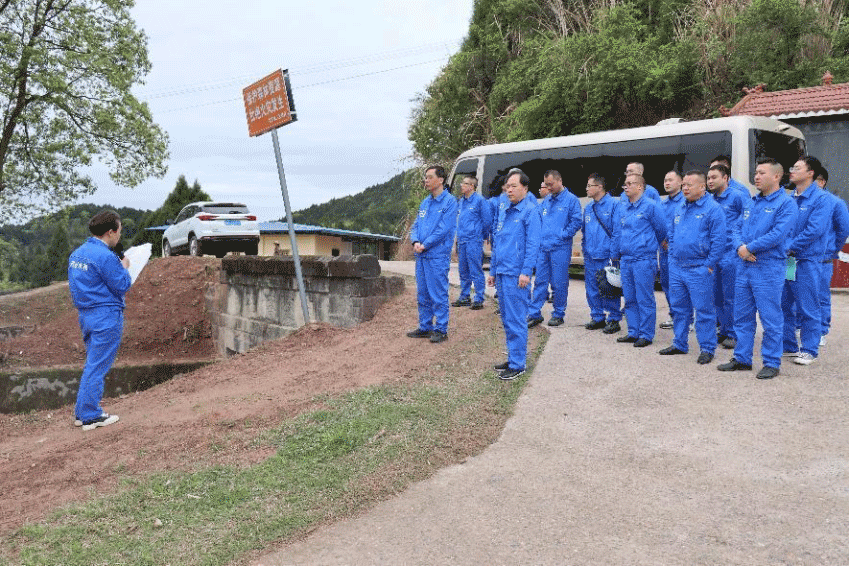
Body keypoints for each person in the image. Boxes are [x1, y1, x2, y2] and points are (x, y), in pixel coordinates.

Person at [717, 158, 797, 380]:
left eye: (762, 173)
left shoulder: (786, 204)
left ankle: (771, 362)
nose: (756, 177)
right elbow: (735, 228)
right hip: (744, 265)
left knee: (771, 318)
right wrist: (739, 248)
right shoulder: (752, 202)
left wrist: (749, 248)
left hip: (768, 267)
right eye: (756, 173)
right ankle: (742, 358)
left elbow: (778, 234)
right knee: (742, 316)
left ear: (776, 176)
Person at [69, 210, 131, 431]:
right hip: (106, 315)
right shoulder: (106, 256)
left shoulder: (77, 254)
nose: (119, 235)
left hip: (86, 314)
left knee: (93, 363)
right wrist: (124, 267)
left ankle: (82, 412)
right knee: (97, 366)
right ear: (110, 232)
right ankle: (90, 415)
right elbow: (122, 285)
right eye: (119, 230)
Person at [659, 171, 726, 365]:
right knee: (679, 308)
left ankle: (707, 348)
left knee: (704, 310)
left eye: (689, 185)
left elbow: (719, 241)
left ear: (702, 187)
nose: (685, 188)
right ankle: (679, 343)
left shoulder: (713, 209)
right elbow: (672, 235)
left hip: (700, 268)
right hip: (677, 267)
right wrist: (672, 258)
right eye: (684, 185)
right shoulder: (680, 207)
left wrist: (709, 265)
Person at [487, 170, 541, 380]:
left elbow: (532, 245)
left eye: (514, 186)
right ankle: (512, 358)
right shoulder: (504, 210)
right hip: (502, 271)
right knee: (507, 319)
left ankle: (518, 364)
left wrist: (526, 272)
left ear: (525, 188)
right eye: (507, 186)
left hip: (516, 274)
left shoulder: (530, 211)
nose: (509, 190)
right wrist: (493, 270)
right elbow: (498, 242)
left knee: (517, 319)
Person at [780, 156, 830, 365]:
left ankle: (809, 349)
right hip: (788, 261)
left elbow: (814, 230)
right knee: (784, 303)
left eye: (797, 168)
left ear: (810, 173)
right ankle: (789, 345)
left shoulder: (821, 199)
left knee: (808, 306)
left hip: (806, 260)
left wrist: (788, 246)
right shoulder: (790, 197)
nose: (792, 170)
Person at [612, 173, 667, 347]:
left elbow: (662, 230)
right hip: (626, 259)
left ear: (640, 186)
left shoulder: (651, 206)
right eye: (625, 184)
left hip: (644, 259)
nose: (626, 187)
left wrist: (647, 245)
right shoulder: (623, 208)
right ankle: (633, 331)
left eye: (630, 183)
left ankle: (646, 334)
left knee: (644, 298)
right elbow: (619, 232)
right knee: (629, 298)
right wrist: (616, 253)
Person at [407, 165, 458, 343]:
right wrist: (415, 241)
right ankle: (425, 326)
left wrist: (425, 244)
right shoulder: (425, 202)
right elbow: (415, 225)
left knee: (438, 293)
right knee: (423, 293)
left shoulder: (449, 202)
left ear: (441, 180)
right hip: (421, 255)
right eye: (425, 177)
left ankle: (441, 329)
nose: (426, 180)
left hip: (437, 256)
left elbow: (443, 229)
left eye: (430, 177)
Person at [527, 169, 581, 328]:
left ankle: (558, 314)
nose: (548, 188)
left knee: (559, 282)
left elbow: (576, 221)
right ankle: (534, 313)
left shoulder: (571, 200)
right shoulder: (547, 200)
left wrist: (563, 235)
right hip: (544, 248)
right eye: (546, 184)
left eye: (550, 184)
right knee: (540, 281)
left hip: (560, 248)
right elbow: (538, 219)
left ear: (559, 181)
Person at [707, 163, 751, 349]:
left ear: (725, 178)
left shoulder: (737, 196)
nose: (710, 181)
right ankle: (724, 330)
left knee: (731, 296)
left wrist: (741, 245)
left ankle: (734, 333)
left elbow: (748, 220)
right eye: (708, 178)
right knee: (716, 296)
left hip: (731, 254)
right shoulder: (710, 199)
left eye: (714, 177)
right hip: (715, 254)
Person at [581, 173, 622, 334]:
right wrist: (585, 250)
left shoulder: (614, 205)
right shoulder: (588, 208)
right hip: (591, 256)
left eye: (589, 186)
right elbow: (585, 232)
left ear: (599, 187)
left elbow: (617, 232)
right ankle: (597, 317)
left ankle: (614, 319)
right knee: (592, 288)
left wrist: (614, 255)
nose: (586, 189)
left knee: (609, 288)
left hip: (607, 256)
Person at [815, 168, 849, 346]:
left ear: (821, 182)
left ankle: (820, 330)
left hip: (822, 259)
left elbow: (843, 230)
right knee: (792, 293)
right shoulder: (795, 199)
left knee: (820, 295)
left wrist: (830, 250)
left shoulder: (835, 203)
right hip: (793, 259)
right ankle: (797, 326)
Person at [452, 176, 492, 310]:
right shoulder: (461, 201)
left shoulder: (480, 201)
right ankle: (464, 297)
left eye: (465, 183)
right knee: (463, 271)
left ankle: (479, 298)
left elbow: (487, 221)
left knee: (475, 270)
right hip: (462, 240)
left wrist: (483, 236)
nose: (461, 185)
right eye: (462, 183)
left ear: (472, 186)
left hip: (474, 240)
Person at [658, 171, 684, 330]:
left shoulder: (685, 202)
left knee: (681, 286)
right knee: (667, 283)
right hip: (664, 251)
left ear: (681, 182)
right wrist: (662, 240)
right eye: (665, 180)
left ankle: (686, 318)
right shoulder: (663, 204)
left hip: (679, 252)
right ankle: (674, 315)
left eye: (670, 180)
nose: (667, 183)